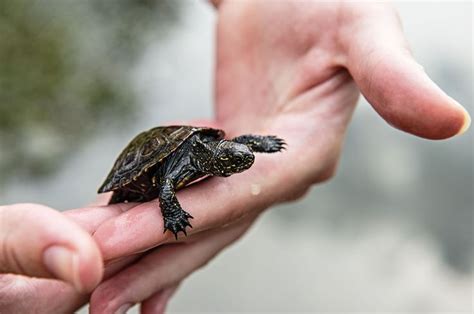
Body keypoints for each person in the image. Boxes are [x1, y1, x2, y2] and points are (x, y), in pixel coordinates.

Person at [0, 1, 470, 313]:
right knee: (125, 216)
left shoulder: (219, 150)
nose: (239, 161)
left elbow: (237, 147)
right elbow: (166, 184)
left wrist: (258, 145)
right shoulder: (191, 157)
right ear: (214, 158)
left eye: (237, 159)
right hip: (141, 171)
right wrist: (173, 213)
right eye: (234, 159)